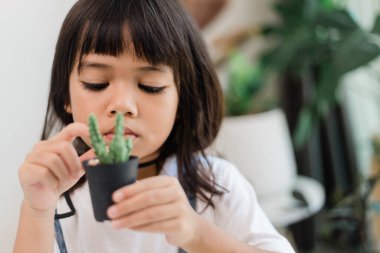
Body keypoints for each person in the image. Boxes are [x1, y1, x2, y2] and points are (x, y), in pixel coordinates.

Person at [13, 0, 295, 252]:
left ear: (182, 100)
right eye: (96, 83)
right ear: (66, 97)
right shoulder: (55, 197)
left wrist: (196, 233)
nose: (122, 105)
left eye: (151, 86)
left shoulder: (217, 186)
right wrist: (36, 211)